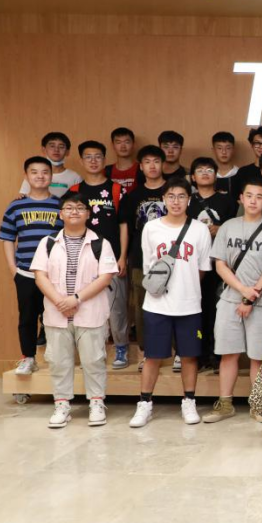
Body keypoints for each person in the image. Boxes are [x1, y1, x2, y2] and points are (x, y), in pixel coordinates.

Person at [130, 177, 213, 428]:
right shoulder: (151, 228)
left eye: (181, 196)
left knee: (189, 356)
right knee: (152, 356)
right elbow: (148, 267)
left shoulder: (199, 229)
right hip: (157, 304)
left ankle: (189, 401)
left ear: (189, 199)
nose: (176, 201)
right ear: (163, 199)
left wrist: (185, 286)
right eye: (171, 196)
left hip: (189, 304)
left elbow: (202, 268)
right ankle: (145, 403)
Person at [30, 192, 117, 428]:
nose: (74, 212)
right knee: (58, 362)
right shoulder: (48, 243)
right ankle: (62, 405)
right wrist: (60, 301)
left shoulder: (101, 243)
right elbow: (40, 275)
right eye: (69, 208)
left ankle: (96, 403)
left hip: (90, 312)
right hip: (56, 313)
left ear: (88, 213)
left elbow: (105, 277)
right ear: (61, 214)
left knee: (94, 360)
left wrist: (76, 299)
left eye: (80, 208)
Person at [206, 177, 262, 424]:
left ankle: (260, 406)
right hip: (230, 300)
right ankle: (225, 404)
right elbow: (220, 265)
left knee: (258, 357)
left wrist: (252, 296)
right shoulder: (228, 227)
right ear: (240, 198)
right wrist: (243, 290)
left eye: (259, 197)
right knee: (228, 353)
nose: (253, 201)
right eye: (249, 195)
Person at [69, 140, 130, 370]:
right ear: (81, 160)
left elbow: (123, 225)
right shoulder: (74, 192)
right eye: (88, 157)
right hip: (82, 257)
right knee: (83, 304)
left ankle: (121, 347)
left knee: (116, 307)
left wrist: (122, 256)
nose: (93, 161)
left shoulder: (117, 190)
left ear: (105, 160)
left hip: (111, 258)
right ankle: (89, 350)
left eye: (98, 156)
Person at [0, 157, 62, 375]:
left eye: (45, 172)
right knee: (27, 317)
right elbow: (8, 238)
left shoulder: (60, 205)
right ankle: (28, 358)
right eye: (34, 172)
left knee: (55, 317)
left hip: (54, 275)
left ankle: (57, 358)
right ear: (26, 176)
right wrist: (13, 269)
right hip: (25, 272)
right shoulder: (16, 205)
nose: (40, 176)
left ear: (51, 176)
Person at [119, 145, 168, 369]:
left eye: (156, 161)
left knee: (175, 302)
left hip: (173, 258)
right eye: (147, 162)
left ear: (163, 164)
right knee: (142, 305)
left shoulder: (174, 190)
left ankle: (177, 351)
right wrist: (123, 256)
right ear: (141, 167)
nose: (152, 166)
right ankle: (144, 352)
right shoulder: (133, 196)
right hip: (141, 258)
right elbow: (126, 229)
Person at [188, 157, 238, 372]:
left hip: (221, 263)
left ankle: (218, 356)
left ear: (216, 175)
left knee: (219, 311)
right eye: (200, 170)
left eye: (209, 170)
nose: (205, 173)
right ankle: (199, 356)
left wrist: (221, 228)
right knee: (197, 311)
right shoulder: (187, 200)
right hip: (193, 264)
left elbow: (237, 227)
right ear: (193, 177)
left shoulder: (227, 201)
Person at [19, 132, 81, 198]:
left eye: (61, 147)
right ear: (44, 149)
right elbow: (23, 197)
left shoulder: (75, 177)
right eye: (52, 146)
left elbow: (80, 200)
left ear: (67, 151)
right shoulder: (34, 176)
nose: (56, 150)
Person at [232, 125, 262, 194]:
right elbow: (236, 197)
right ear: (251, 145)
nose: (261, 146)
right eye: (257, 143)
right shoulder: (243, 172)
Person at [106, 127, 138, 194]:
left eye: (127, 142)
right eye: (118, 142)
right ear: (113, 145)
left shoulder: (142, 169)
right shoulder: (106, 171)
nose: (123, 146)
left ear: (133, 144)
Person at [210, 131, 239, 197]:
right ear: (213, 150)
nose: (224, 152)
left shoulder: (240, 174)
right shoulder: (208, 175)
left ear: (233, 150)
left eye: (228, 148)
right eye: (219, 148)